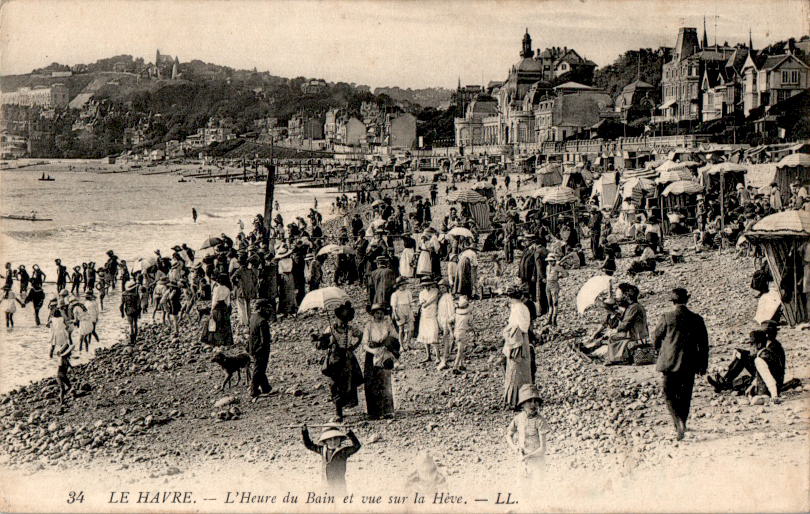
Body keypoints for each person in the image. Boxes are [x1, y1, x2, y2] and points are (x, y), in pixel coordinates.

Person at [652, 288, 709, 440]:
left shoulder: (667, 317)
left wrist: (658, 350)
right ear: (687, 299)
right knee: (685, 394)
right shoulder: (697, 319)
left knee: (669, 393)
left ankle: (677, 422)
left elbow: (656, 337)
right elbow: (704, 344)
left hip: (669, 363)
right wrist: (703, 365)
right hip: (690, 363)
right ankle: (683, 421)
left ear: (672, 301)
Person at [315, 301, 364, 421]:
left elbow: (361, 335)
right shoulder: (330, 329)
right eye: (341, 318)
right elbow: (321, 345)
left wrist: (353, 346)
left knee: (347, 384)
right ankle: (338, 412)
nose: (343, 321)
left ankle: (343, 407)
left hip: (347, 359)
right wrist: (323, 340)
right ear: (336, 317)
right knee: (334, 384)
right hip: (334, 360)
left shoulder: (351, 329)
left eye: (346, 319)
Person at [707, 329, 785, 401]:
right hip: (770, 384)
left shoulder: (763, 356)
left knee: (745, 380)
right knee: (746, 378)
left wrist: (775, 396)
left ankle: (724, 384)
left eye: (751, 344)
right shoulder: (767, 351)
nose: (750, 347)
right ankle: (724, 383)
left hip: (768, 389)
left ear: (759, 345)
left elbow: (769, 378)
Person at [362, 304, 399, 419]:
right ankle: (373, 412)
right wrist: (373, 351)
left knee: (385, 380)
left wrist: (387, 343)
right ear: (373, 314)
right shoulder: (369, 325)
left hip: (385, 352)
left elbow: (395, 337)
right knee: (371, 382)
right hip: (372, 353)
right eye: (377, 313)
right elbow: (364, 344)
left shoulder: (388, 324)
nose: (380, 315)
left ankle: (387, 410)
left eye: (381, 312)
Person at [302, 423, 362, 494]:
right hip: (326, 485)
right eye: (330, 439)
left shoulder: (343, 451)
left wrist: (349, 433)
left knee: (340, 502)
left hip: (339, 485)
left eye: (336, 438)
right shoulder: (322, 450)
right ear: (325, 441)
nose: (333, 442)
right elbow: (309, 445)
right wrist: (304, 432)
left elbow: (357, 446)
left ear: (340, 439)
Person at [505, 384, 548, 479]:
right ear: (523, 403)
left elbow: (542, 449)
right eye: (529, 401)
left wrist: (528, 456)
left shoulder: (540, 421)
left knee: (538, 490)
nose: (533, 404)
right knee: (522, 489)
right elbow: (508, 435)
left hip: (537, 463)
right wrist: (515, 448)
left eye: (535, 401)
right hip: (522, 462)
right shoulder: (518, 419)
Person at [502, 287, 533, 410]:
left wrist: (511, 329)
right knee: (518, 370)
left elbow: (523, 327)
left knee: (517, 369)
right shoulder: (519, 307)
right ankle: (520, 399)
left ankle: (516, 400)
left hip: (518, 340)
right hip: (517, 339)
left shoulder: (519, 308)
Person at [247, 299, 273, 398]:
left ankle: (266, 387)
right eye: (267, 308)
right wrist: (263, 349)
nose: (268, 310)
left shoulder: (253, 317)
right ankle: (253, 390)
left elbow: (250, 334)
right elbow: (265, 340)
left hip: (252, 347)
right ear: (261, 308)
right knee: (259, 369)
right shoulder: (263, 321)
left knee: (260, 368)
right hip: (261, 350)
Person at [202, 273, 233, 346]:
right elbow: (228, 302)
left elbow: (214, 300)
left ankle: (214, 341)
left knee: (215, 323)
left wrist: (212, 309)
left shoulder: (216, 289)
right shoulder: (227, 289)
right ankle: (225, 341)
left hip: (217, 307)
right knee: (224, 324)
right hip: (224, 307)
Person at [416, 277, 440, 363]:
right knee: (425, 336)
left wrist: (425, 303)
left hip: (433, 314)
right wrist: (423, 303)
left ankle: (438, 357)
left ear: (431, 284)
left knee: (433, 335)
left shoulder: (435, 291)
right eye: (425, 286)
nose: (427, 287)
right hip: (425, 316)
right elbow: (421, 303)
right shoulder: (422, 293)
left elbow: (432, 300)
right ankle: (428, 355)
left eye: (428, 285)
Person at [436, 279, 455, 371]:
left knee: (447, 337)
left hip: (447, 319)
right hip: (443, 320)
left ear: (447, 288)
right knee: (446, 338)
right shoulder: (442, 297)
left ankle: (447, 355)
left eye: (443, 287)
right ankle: (447, 354)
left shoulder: (448, 297)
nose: (442, 289)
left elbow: (450, 309)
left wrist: (451, 319)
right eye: (440, 288)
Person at [390, 277, 414, 349]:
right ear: (398, 286)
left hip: (408, 309)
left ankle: (408, 343)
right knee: (401, 329)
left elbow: (411, 303)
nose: (404, 286)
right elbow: (393, 306)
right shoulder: (395, 294)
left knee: (411, 328)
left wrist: (412, 311)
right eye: (402, 285)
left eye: (405, 284)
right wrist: (395, 314)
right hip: (399, 310)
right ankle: (401, 345)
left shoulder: (408, 292)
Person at [544, 253, 567, 328]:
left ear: (554, 261)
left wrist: (559, 277)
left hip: (554, 285)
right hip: (548, 284)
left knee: (555, 303)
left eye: (551, 261)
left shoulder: (557, 267)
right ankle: (549, 319)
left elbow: (566, 274)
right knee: (549, 302)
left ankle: (554, 320)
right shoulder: (547, 267)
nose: (550, 263)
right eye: (549, 261)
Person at [452, 295, 472, 373]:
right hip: (462, 333)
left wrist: (451, 330)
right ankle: (455, 366)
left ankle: (461, 364)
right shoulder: (468, 315)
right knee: (460, 351)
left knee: (460, 348)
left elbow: (449, 321)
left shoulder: (456, 314)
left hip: (456, 332)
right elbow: (470, 324)